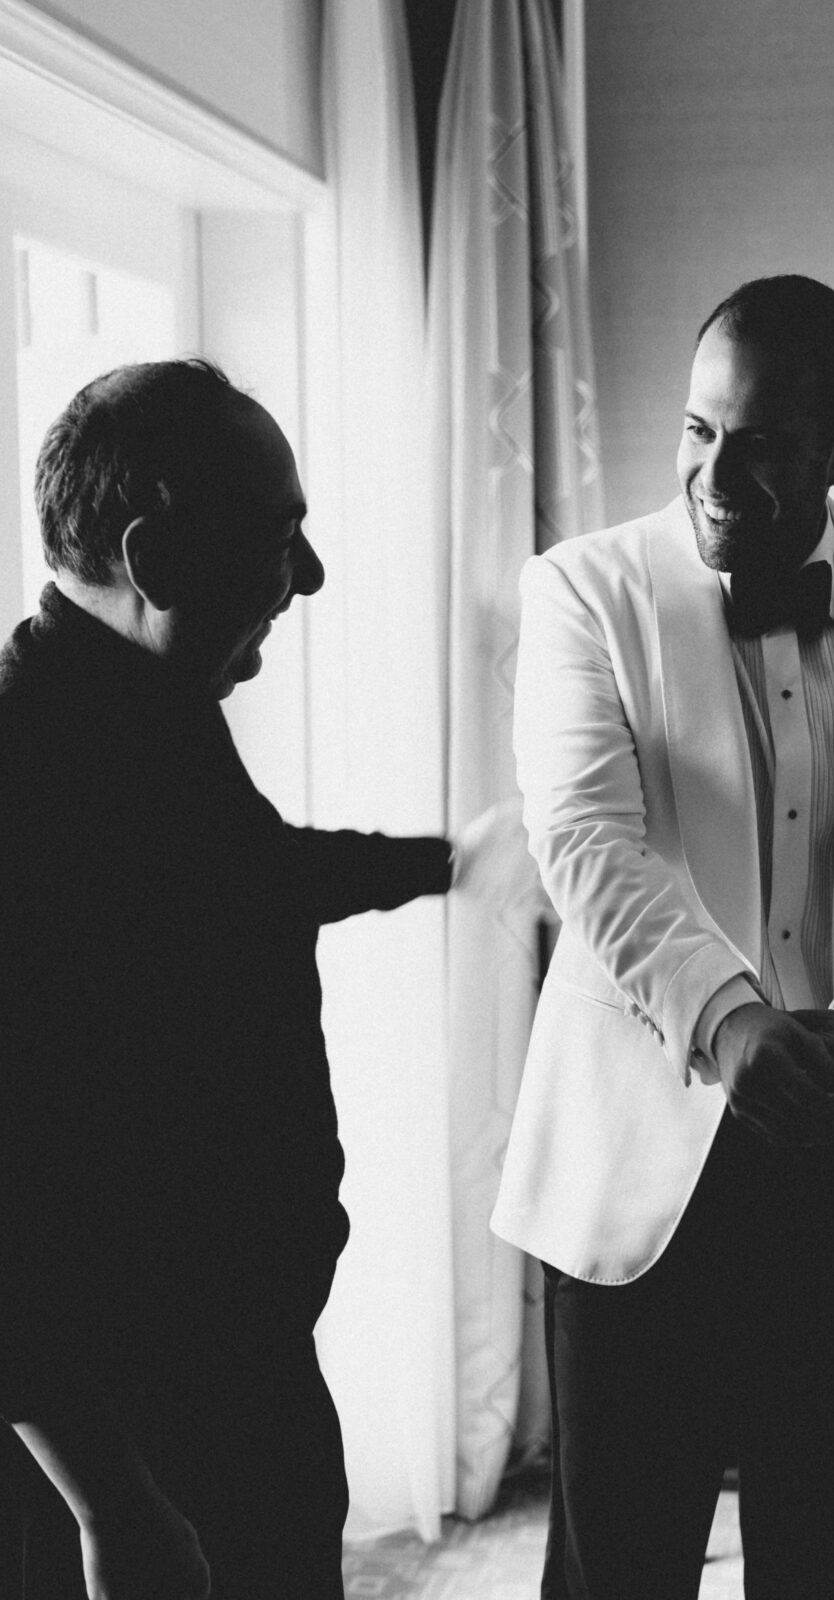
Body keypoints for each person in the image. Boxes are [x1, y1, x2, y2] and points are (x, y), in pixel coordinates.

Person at [491, 274, 834, 1599]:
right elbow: (587, 843)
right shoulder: (579, 593)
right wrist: (728, 1026)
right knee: (619, 1564)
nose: (715, 476)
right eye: (696, 432)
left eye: (765, 446)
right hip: (638, 1160)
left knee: (823, 1562)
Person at [0, 358, 517, 1600]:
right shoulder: (28, 778)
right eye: (280, 539)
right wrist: (110, 1503)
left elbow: (239, 878)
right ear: (157, 556)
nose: (311, 577)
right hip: (128, 1443)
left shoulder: (145, 700)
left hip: (243, 1383)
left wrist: (450, 862)